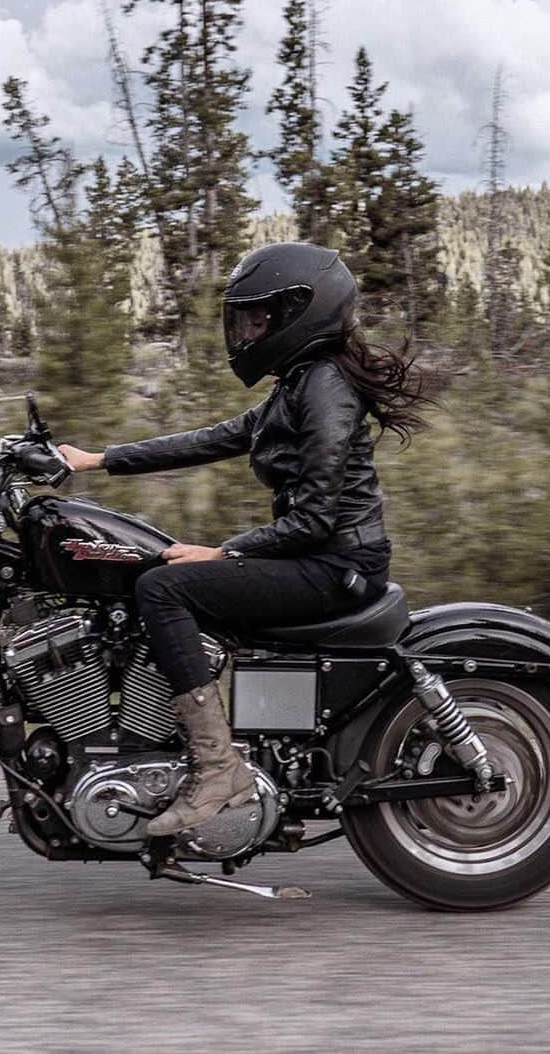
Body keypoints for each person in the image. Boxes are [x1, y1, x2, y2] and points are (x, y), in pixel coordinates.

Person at [57, 241, 429, 837]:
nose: (247, 330)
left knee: (163, 588)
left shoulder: (326, 389)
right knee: (153, 574)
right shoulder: (301, 384)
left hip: (335, 564)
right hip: (319, 557)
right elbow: (211, 438)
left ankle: (217, 768)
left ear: (296, 314)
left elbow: (314, 521)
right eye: (244, 319)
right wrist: (95, 460)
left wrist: (226, 552)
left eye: (258, 318)